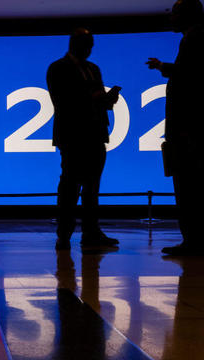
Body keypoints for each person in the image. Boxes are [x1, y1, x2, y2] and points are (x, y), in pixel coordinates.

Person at [146, 0, 204, 255]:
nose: (171, 18)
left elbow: (188, 77)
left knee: (189, 184)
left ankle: (197, 240)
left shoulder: (194, 39)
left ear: (186, 15)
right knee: (194, 183)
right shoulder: (196, 38)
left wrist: (164, 68)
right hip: (193, 123)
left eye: (175, 13)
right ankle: (200, 239)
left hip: (189, 124)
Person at [47, 28, 121, 251]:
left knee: (92, 186)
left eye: (91, 44)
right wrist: (93, 98)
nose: (89, 49)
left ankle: (91, 232)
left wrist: (109, 100)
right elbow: (62, 101)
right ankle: (64, 234)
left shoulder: (93, 69)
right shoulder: (58, 68)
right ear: (75, 44)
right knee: (70, 186)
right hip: (72, 135)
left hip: (96, 134)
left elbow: (99, 101)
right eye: (86, 44)